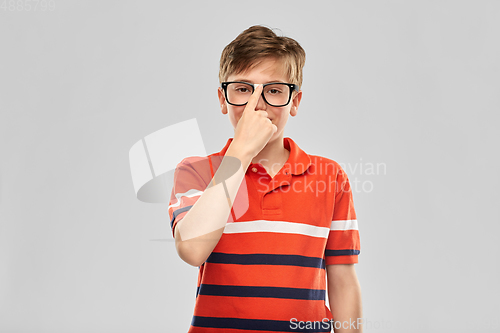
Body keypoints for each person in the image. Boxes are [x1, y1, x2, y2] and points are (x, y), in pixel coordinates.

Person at [168, 25, 362, 333]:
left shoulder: (330, 176)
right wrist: (241, 152)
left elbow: (343, 280)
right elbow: (192, 250)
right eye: (243, 89)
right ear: (223, 99)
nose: (257, 104)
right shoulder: (196, 172)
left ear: (294, 102)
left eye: (273, 90)